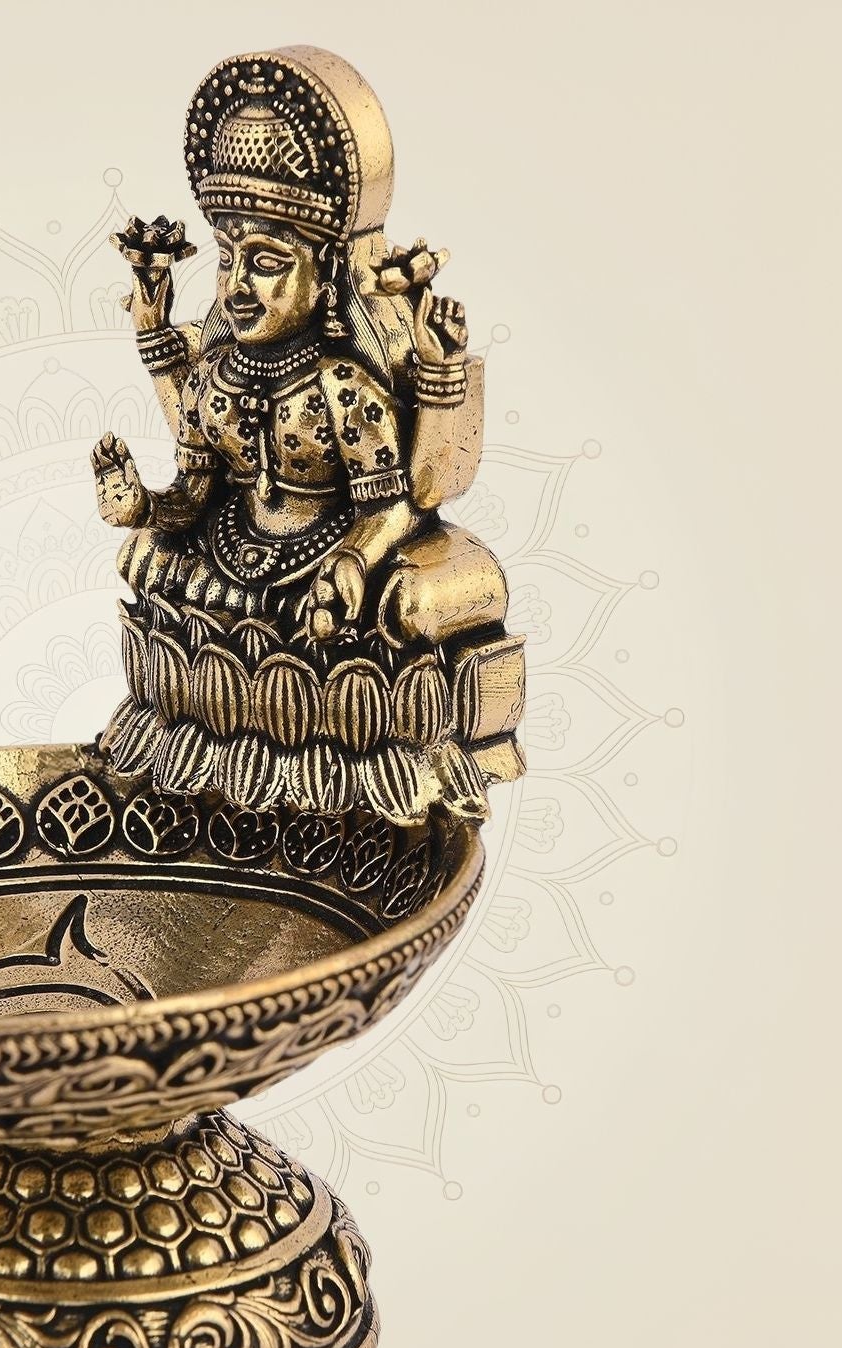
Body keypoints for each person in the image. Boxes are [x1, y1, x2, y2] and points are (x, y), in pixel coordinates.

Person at [94, 47, 524, 825]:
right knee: (149, 565)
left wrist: (354, 561)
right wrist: (142, 507)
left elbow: (392, 506)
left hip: (330, 570)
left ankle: (349, 745)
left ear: (325, 272)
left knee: (388, 615)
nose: (237, 286)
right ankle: (216, 718)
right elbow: (193, 494)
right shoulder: (215, 376)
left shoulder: (342, 386)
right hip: (235, 577)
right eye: (228, 259)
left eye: (265, 262)